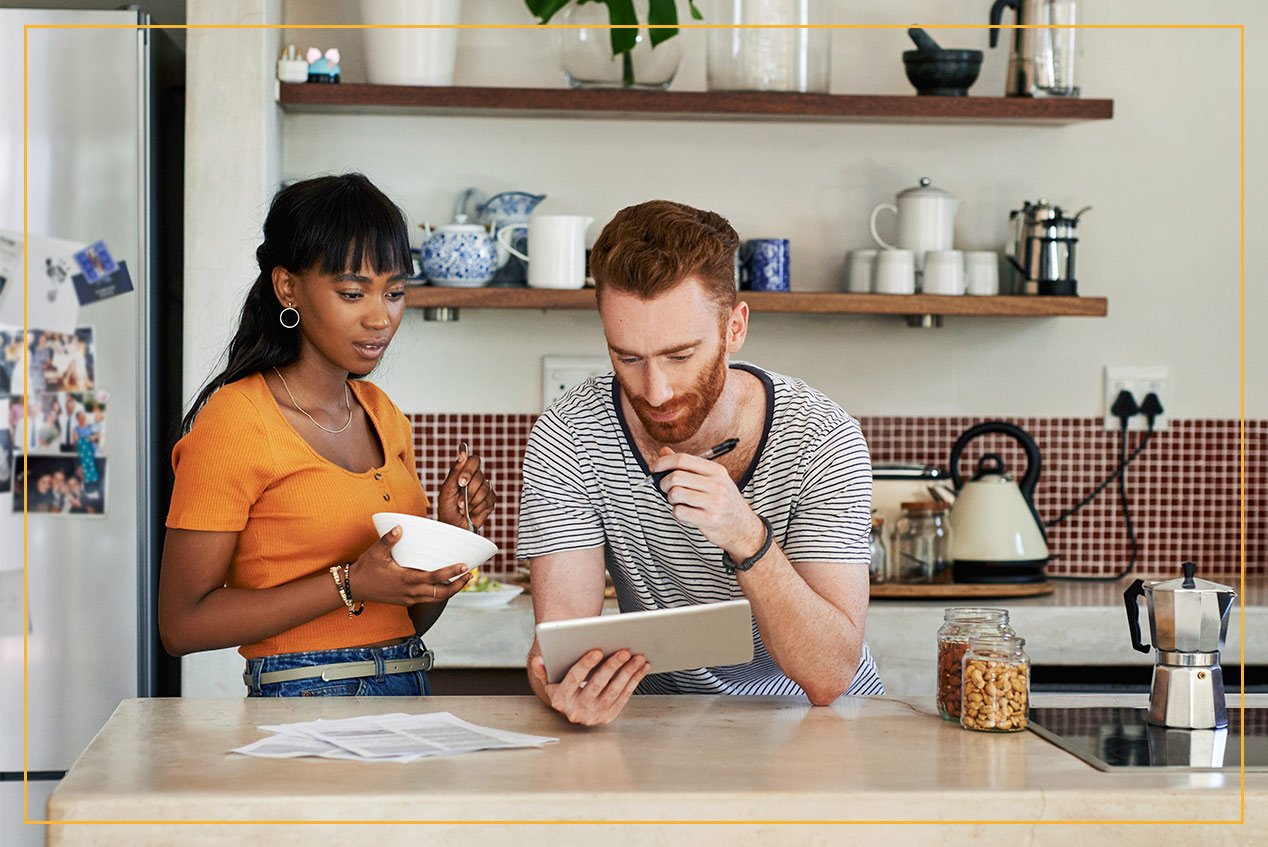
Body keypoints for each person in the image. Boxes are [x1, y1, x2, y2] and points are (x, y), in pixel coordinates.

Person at [518, 200, 882, 726]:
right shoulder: (572, 433)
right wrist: (557, 684)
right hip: (662, 721)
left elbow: (829, 675)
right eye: (628, 358)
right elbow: (559, 644)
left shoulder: (822, 437)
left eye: (680, 356)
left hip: (819, 722)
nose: (655, 390)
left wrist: (746, 536)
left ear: (734, 329)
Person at [158, 173, 497, 697]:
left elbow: (407, 621)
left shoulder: (383, 416)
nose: (380, 318)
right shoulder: (235, 422)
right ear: (287, 287)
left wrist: (449, 537)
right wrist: (348, 583)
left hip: (407, 689)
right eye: (352, 292)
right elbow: (181, 625)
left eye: (395, 292)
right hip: (301, 704)